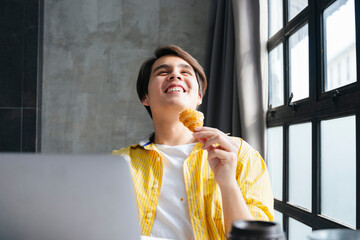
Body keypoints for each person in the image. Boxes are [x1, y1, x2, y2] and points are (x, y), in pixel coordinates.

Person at [112, 44, 273, 240]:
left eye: (185, 72)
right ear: (145, 97)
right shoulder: (119, 163)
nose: (175, 75)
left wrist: (228, 182)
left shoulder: (239, 154)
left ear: (199, 96)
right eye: (163, 72)